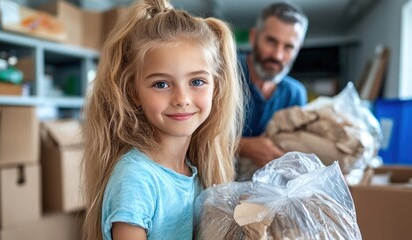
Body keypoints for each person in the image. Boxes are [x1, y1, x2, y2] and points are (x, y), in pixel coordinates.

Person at [81, 0, 244, 239]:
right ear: (134, 93)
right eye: (161, 84)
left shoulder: (193, 171)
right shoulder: (136, 179)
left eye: (197, 81)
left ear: (216, 88)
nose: (182, 98)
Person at [237, 2, 309, 179]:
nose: (277, 55)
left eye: (288, 47)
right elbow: (191, 134)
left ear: (298, 49)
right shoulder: (222, 75)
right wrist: (243, 146)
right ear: (254, 37)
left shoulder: (295, 94)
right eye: (271, 41)